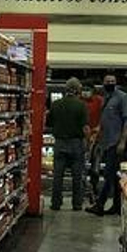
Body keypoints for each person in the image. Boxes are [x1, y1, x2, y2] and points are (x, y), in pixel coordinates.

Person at [86, 76, 127, 216]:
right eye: (107, 82)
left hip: (115, 142)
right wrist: (98, 130)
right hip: (106, 142)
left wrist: (122, 141)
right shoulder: (106, 97)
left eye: (112, 82)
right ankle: (117, 206)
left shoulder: (122, 97)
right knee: (115, 176)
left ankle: (100, 205)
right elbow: (106, 119)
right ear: (103, 84)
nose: (110, 84)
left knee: (108, 174)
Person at [46, 77, 88, 211]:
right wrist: (87, 142)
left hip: (59, 143)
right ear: (77, 90)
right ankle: (77, 204)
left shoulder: (56, 104)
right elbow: (85, 127)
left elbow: (49, 123)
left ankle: (56, 203)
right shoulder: (81, 105)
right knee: (77, 176)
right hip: (76, 143)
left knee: (57, 176)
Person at [84, 85, 106, 196]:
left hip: (97, 137)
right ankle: (83, 188)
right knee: (82, 165)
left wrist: (99, 127)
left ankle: (94, 187)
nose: (85, 92)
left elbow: (105, 116)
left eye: (88, 90)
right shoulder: (79, 101)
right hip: (83, 137)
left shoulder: (100, 100)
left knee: (95, 165)